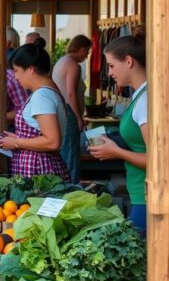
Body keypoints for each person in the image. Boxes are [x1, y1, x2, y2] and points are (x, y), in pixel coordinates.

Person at [88, 33, 147, 234]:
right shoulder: (139, 95)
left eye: (112, 65)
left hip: (147, 196)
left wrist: (116, 152)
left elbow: (159, 161)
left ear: (129, 61)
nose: (109, 72)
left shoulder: (146, 101)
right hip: (140, 191)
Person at [0, 44, 70, 180]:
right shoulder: (47, 91)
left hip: (39, 170)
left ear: (30, 69)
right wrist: (17, 138)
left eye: (16, 71)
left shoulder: (42, 96)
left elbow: (52, 141)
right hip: (39, 167)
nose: (15, 77)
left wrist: (17, 142)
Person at [52, 35, 92, 130]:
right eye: (87, 50)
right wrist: (78, 117)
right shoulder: (73, 65)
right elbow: (71, 94)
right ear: (80, 48)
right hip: (69, 115)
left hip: (62, 112)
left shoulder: (62, 61)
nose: (87, 55)